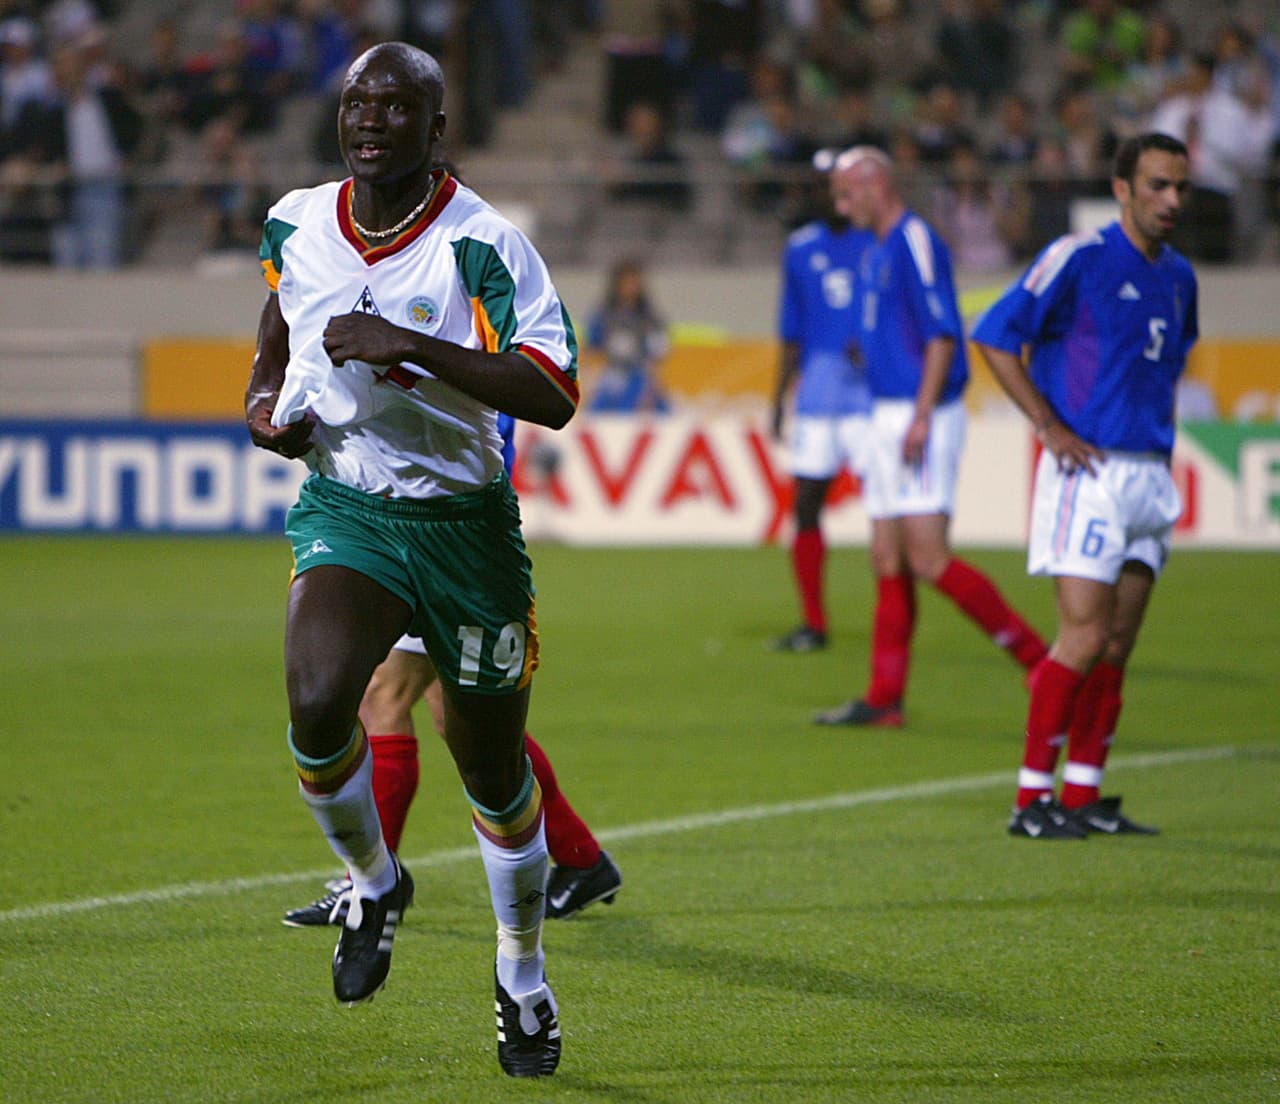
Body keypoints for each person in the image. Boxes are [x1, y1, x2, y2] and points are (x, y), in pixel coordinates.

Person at [244, 42, 577, 1077]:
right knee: (314, 706)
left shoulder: (486, 244)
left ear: (438, 132)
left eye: (396, 106)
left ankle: (520, 971)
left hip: (467, 529)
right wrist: (263, 407)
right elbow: (278, 326)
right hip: (350, 508)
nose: (371, 120)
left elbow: (553, 393)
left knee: (489, 771)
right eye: (357, 103)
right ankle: (375, 881)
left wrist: (412, 346)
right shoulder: (295, 221)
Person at [284, 415, 621, 926]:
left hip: (432, 531)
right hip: (424, 529)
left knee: (386, 698)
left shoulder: (453, 345)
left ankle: (369, 889)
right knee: (459, 718)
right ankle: (581, 859)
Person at [972, 132, 1197, 839]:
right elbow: (995, 334)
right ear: (1123, 188)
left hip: (1149, 475)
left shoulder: (1181, 276)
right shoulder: (1079, 257)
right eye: (1158, 185)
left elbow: (1169, 361)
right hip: (1089, 473)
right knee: (1083, 635)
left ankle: (1082, 794)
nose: (1172, 201)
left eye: (1181, 188)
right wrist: (1048, 423)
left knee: (1118, 644)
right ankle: (1028, 800)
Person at [814, 146, 1047, 728]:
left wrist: (921, 414)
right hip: (885, 412)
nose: (841, 207)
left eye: (846, 193)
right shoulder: (878, 252)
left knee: (929, 558)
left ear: (874, 185)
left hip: (922, 414)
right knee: (886, 556)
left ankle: (1039, 660)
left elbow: (944, 334)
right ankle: (884, 697)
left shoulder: (915, 240)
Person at [769, 152, 875, 653]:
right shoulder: (800, 248)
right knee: (807, 504)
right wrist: (776, 400)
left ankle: (895, 618)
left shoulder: (878, 240)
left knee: (889, 511)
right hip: (817, 394)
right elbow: (791, 330)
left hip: (874, 397)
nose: (836, 196)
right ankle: (814, 622)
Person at [585, 258, 671, 414]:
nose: (630, 287)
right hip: (611, 376)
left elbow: (657, 356)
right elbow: (592, 352)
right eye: (626, 282)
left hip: (640, 376)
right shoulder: (603, 316)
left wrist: (651, 387)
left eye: (634, 282)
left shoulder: (649, 318)